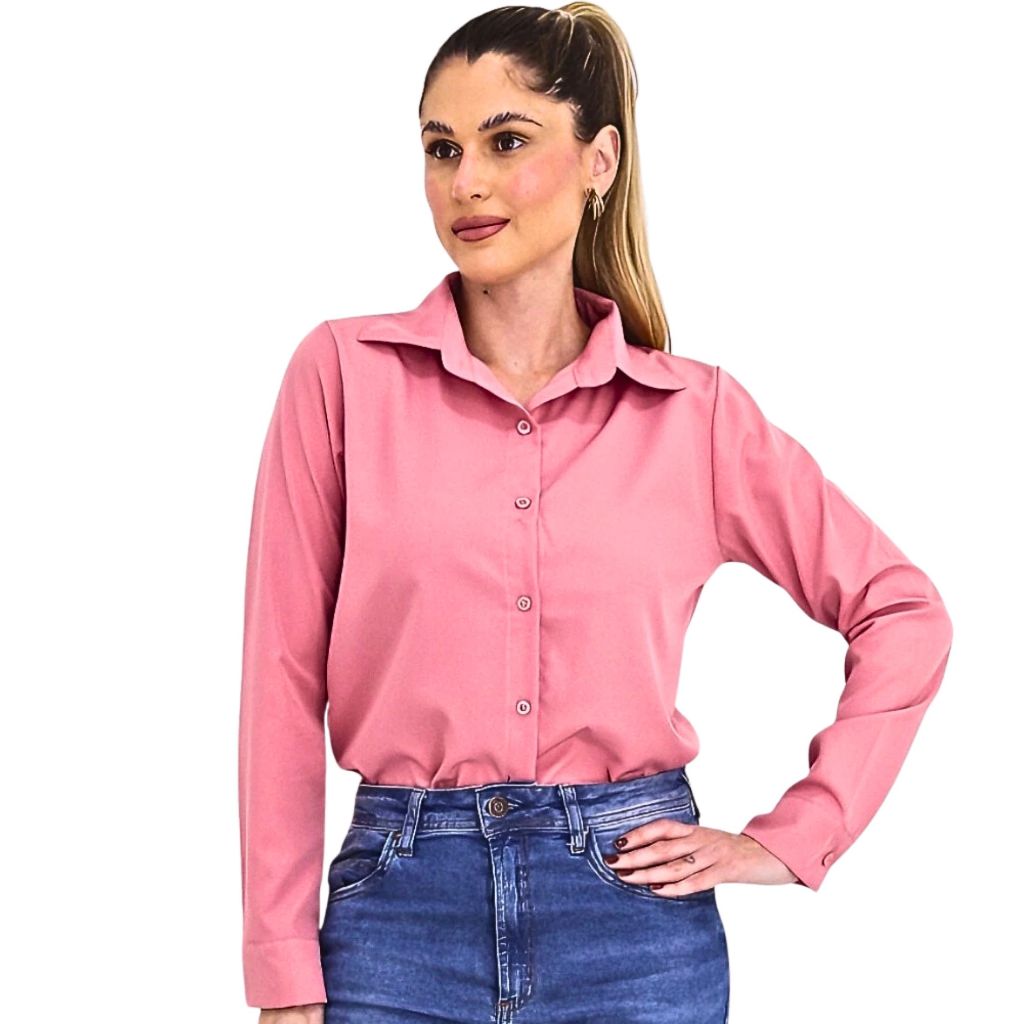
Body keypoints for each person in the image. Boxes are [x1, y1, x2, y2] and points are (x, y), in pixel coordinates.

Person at [237, 4, 954, 1022]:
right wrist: (280, 970)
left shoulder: (695, 417)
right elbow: (279, 678)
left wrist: (796, 835)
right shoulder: (342, 377)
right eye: (441, 149)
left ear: (599, 160)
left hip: (633, 926)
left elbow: (903, 611)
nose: (465, 181)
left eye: (506, 142)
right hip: (396, 927)